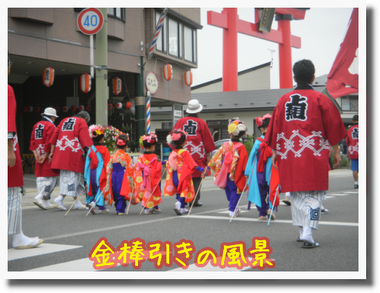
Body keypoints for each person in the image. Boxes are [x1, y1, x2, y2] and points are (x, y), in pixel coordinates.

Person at [265, 59, 346, 248]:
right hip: (313, 154)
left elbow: (275, 128)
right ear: (313, 77)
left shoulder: (283, 100)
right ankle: (308, 232)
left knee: (296, 194)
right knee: (315, 195)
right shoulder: (321, 99)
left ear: (294, 77)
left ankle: (303, 231)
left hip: (290, 153)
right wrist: (336, 151)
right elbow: (333, 127)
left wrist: (276, 151)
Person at [8, 57, 43, 249]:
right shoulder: (6, 89)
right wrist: (8, 149)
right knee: (12, 193)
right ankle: (17, 236)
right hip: (5, 148)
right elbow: (8, 120)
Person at [172, 99, 216, 207]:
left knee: (182, 175)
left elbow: (173, 137)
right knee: (197, 175)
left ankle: (182, 198)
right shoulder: (201, 123)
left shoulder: (180, 121)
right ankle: (194, 199)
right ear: (198, 111)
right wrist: (208, 155)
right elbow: (207, 140)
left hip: (182, 152)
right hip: (197, 153)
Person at [48, 110, 93, 211]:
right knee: (73, 177)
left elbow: (54, 136)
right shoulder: (81, 122)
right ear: (85, 119)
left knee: (67, 176)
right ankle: (60, 197)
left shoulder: (64, 120)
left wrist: (52, 151)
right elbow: (84, 139)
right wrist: (90, 152)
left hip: (61, 150)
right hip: (74, 152)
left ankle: (76, 202)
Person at [208, 118, 248, 218]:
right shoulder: (241, 147)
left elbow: (216, 158)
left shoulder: (225, 145)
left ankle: (234, 207)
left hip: (225, 172)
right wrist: (246, 172)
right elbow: (244, 161)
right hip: (236, 173)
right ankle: (232, 209)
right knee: (236, 190)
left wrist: (209, 167)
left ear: (230, 133)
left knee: (229, 190)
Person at [245, 114, 278, 220]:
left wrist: (248, 172)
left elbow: (252, 157)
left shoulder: (259, 141)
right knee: (272, 188)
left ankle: (262, 213)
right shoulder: (276, 140)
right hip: (273, 168)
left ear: (260, 128)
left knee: (259, 190)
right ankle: (270, 208)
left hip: (259, 169)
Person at [164, 129, 204, 215]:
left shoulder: (173, 152)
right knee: (184, 189)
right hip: (183, 174)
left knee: (179, 190)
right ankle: (179, 204)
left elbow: (169, 164)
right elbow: (192, 163)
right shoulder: (185, 152)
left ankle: (182, 208)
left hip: (174, 174)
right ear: (184, 142)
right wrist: (200, 169)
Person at [29, 107, 60, 210]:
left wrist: (36, 154)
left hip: (38, 153)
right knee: (52, 178)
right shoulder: (50, 126)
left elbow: (32, 140)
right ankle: (40, 197)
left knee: (41, 178)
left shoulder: (36, 125)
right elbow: (50, 141)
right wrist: (47, 155)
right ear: (52, 117)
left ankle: (45, 201)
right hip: (47, 155)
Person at [104, 134, 134, 215]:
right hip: (122, 175)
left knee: (115, 190)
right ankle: (120, 209)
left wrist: (109, 176)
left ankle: (118, 206)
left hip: (114, 174)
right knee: (122, 191)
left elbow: (108, 167)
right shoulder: (126, 156)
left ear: (116, 146)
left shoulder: (113, 156)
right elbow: (131, 167)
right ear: (126, 146)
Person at [84, 125, 111, 214]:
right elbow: (107, 163)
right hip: (101, 171)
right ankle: (94, 203)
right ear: (102, 138)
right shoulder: (104, 149)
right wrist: (109, 173)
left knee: (93, 188)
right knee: (102, 187)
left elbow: (87, 163)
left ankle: (99, 206)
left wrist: (86, 176)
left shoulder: (90, 149)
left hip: (91, 171)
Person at [134, 133, 163, 214]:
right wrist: (162, 163)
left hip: (144, 176)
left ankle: (147, 207)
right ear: (153, 146)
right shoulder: (154, 156)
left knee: (145, 191)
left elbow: (138, 166)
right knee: (153, 190)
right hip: (152, 176)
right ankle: (152, 206)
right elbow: (156, 167)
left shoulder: (141, 156)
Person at [346, 114, 359, 189]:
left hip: (353, 150)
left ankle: (356, 183)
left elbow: (347, 141)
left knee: (355, 168)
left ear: (352, 121)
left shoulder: (350, 129)